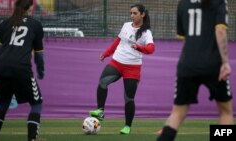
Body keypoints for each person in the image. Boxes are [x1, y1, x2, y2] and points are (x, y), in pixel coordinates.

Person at [156, 0, 234, 140]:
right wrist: (225, 62)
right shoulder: (219, 1)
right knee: (225, 112)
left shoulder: (183, 3)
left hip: (188, 64)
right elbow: (220, 30)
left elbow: (184, 37)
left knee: (177, 114)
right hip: (213, 65)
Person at [89, 3, 155, 134]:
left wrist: (139, 47)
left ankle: (127, 126)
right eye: (131, 13)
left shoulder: (146, 32)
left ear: (142, 14)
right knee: (102, 82)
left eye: (135, 13)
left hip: (133, 68)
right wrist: (106, 53)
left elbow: (151, 49)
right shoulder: (126, 25)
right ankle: (100, 111)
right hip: (117, 62)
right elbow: (117, 42)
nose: (132, 16)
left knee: (128, 99)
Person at [0, 0, 45, 140]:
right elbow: (39, 54)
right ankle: (32, 138)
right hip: (21, 68)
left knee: (3, 104)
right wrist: (41, 71)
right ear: (30, 8)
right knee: (37, 104)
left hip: (3, 68)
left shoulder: (4, 23)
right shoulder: (36, 25)